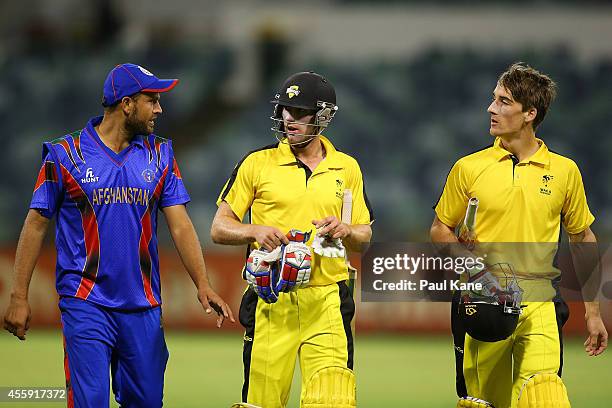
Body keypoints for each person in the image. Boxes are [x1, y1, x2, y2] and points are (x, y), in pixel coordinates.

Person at [2, 63, 235, 408]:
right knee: (89, 402)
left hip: (144, 307)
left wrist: (202, 283)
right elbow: (36, 224)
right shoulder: (65, 156)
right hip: (85, 303)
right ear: (127, 104)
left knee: (146, 402)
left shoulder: (160, 155)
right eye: (151, 100)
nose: (159, 108)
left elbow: (181, 224)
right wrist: (19, 296)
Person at [431, 62, 608, 408]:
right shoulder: (468, 167)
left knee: (546, 398)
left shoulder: (564, 171)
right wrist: (470, 264)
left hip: (541, 303)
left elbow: (582, 238)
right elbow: (440, 228)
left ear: (530, 113)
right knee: (482, 403)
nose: (491, 109)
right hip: (483, 302)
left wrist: (593, 311)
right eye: (493, 99)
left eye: (503, 102)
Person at [211, 71, 373, 408]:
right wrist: (254, 230)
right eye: (285, 109)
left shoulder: (348, 168)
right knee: (260, 404)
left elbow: (364, 236)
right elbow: (219, 227)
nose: (289, 119)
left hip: (328, 301)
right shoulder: (257, 164)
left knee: (334, 400)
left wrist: (346, 231)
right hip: (271, 301)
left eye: (299, 112)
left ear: (323, 116)